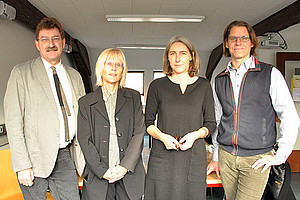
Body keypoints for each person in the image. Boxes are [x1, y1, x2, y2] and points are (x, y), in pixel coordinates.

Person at [207, 20, 300, 200]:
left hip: (257, 159)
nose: (238, 42)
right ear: (226, 43)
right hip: (227, 157)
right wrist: (217, 156)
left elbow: (289, 115)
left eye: (243, 38)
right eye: (233, 38)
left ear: (252, 42)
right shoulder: (219, 80)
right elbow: (219, 120)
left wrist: (281, 155)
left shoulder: (270, 74)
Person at [4, 17, 85, 199]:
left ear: (63, 42)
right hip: (34, 158)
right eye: (44, 39)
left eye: (55, 38)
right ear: (37, 44)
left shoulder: (75, 76)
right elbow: (13, 121)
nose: (51, 44)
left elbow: (82, 116)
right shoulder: (21, 73)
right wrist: (22, 165)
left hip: (65, 156)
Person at [144, 36, 216, 200]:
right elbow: (147, 122)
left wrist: (195, 135)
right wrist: (162, 137)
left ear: (191, 55)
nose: (177, 58)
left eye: (182, 53)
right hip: (163, 157)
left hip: (193, 158)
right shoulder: (157, 86)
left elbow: (211, 123)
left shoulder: (203, 86)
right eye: (172, 54)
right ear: (167, 57)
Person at [77, 48, 146, 200]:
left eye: (119, 64)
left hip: (129, 177)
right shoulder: (85, 102)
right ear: (100, 68)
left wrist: (124, 167)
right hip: (98, 178)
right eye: (109, 63)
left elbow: (139, 133)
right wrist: (102, 171)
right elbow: (84, 140)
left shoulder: (133, 97)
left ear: (123, 70)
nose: (114, 68)